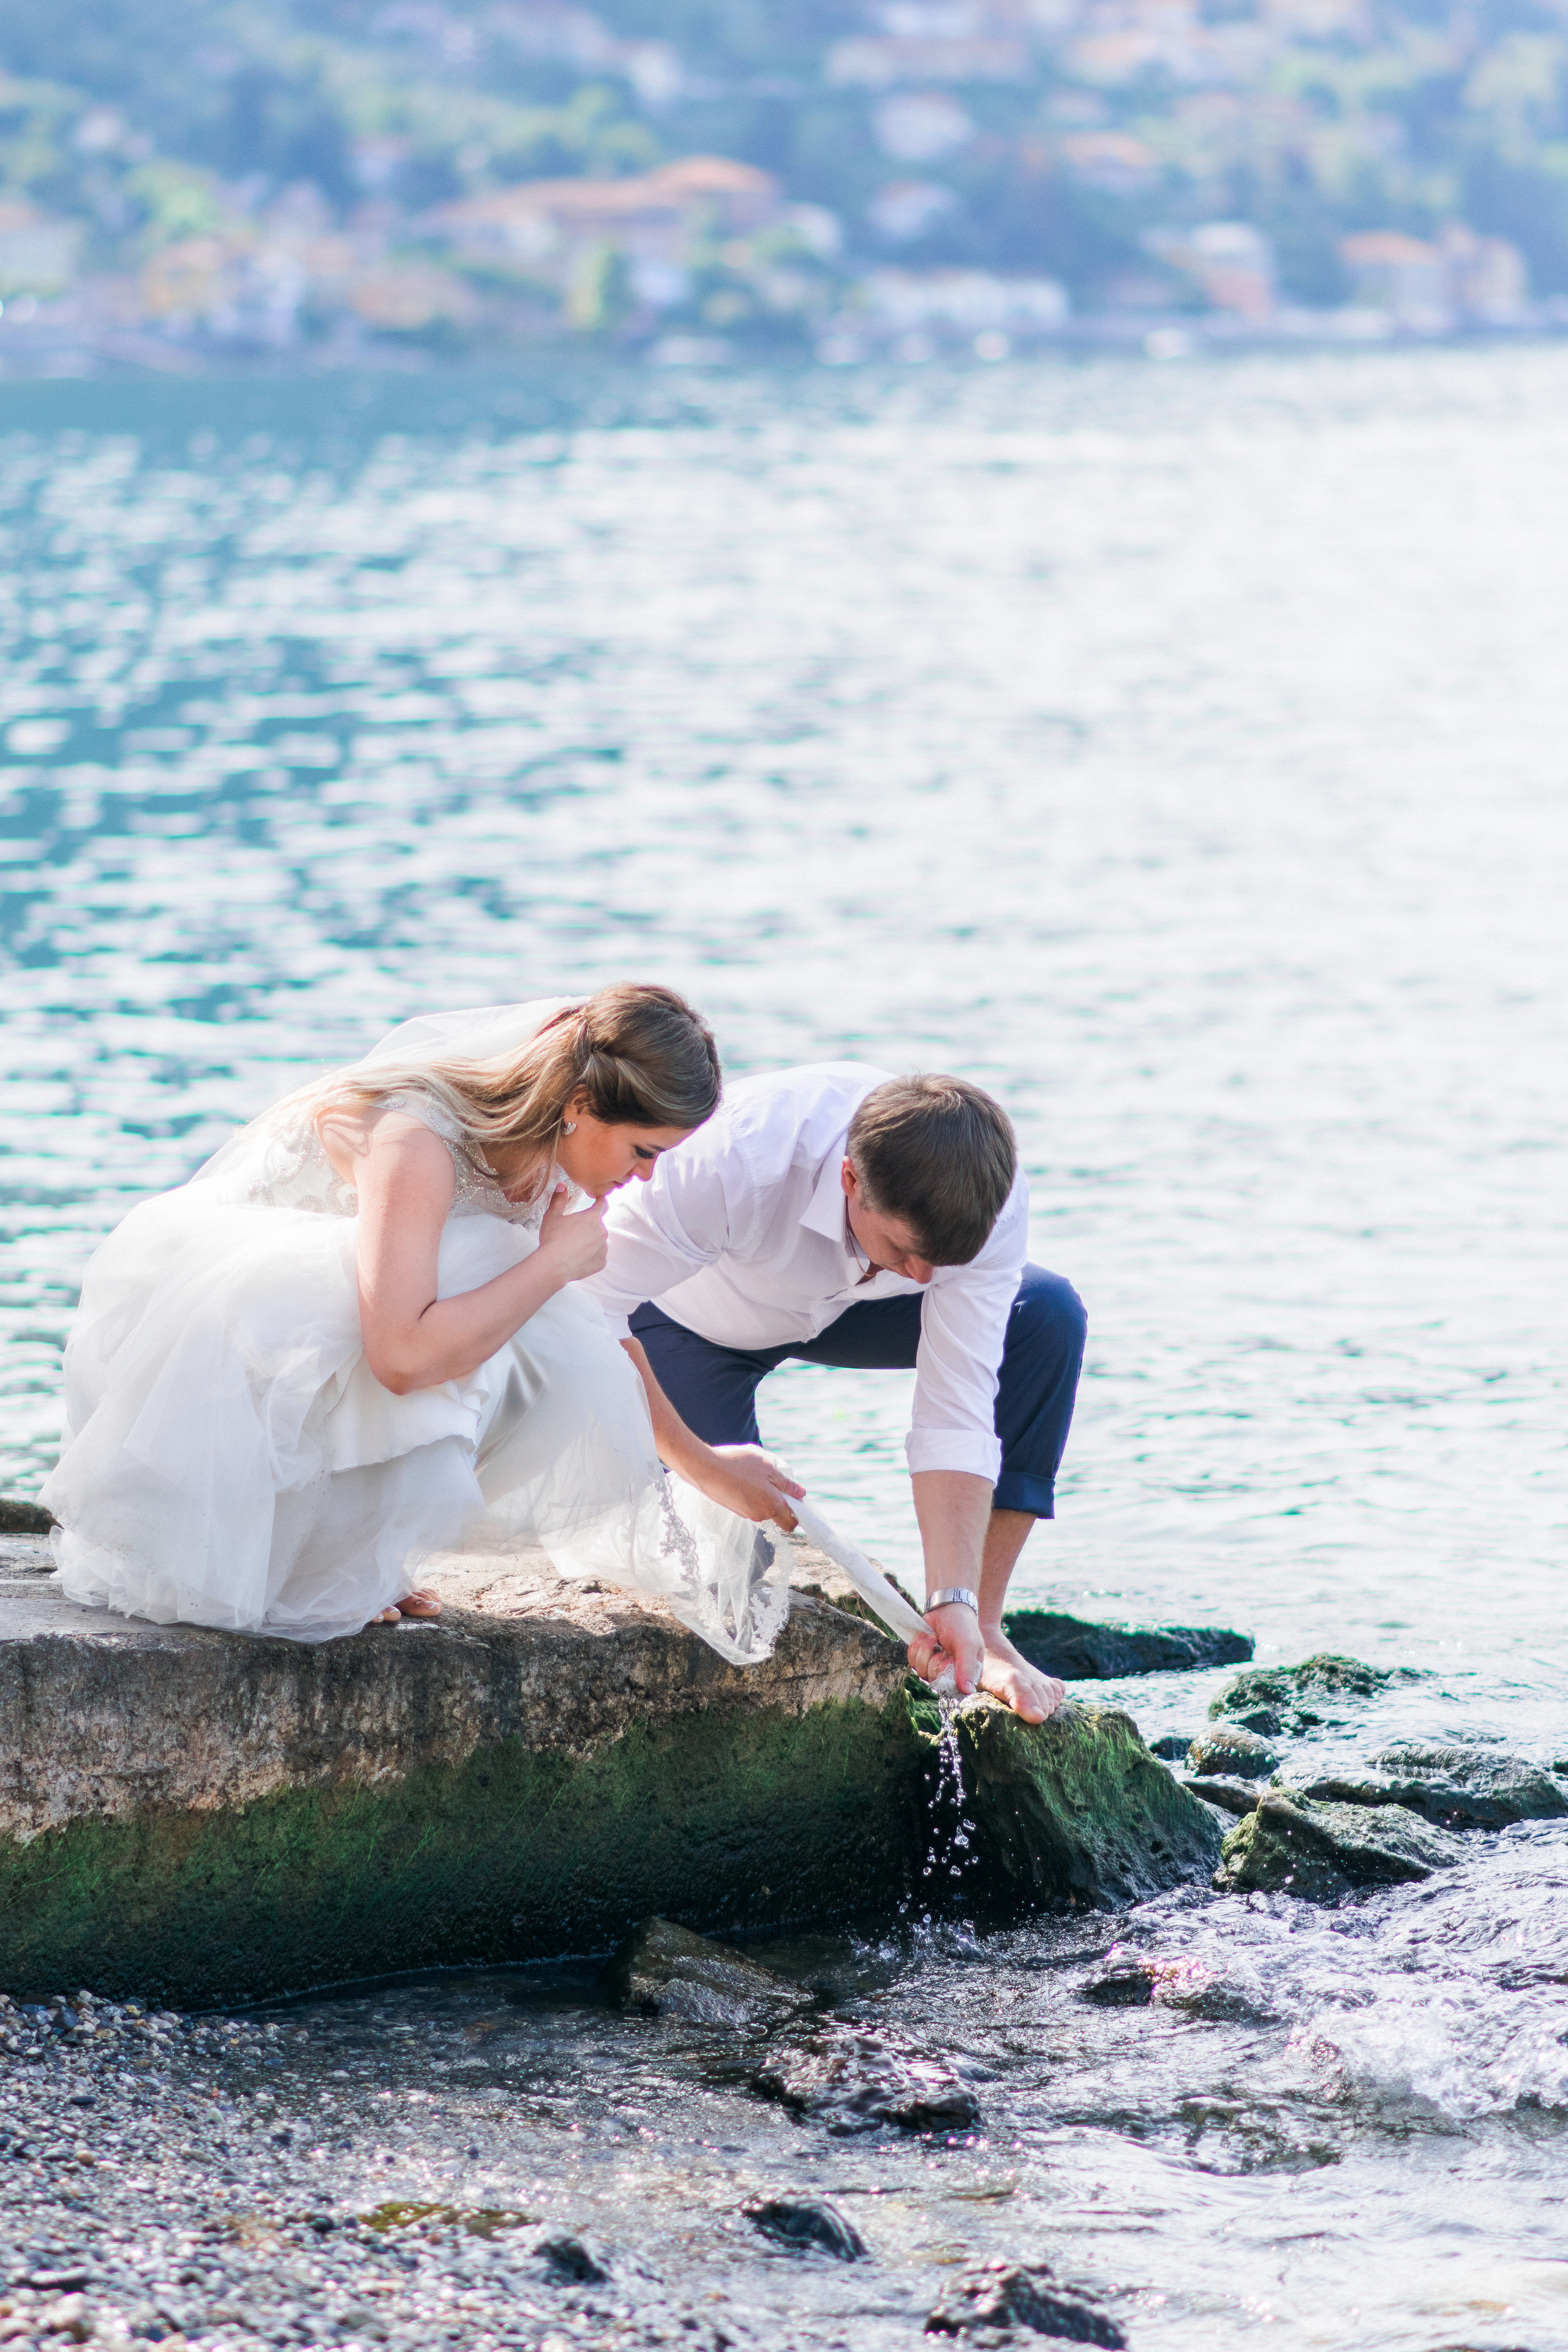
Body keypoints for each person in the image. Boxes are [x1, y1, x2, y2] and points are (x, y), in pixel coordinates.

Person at [41, 989, 804, 1654]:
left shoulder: (544, 1151)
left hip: (324, 1359)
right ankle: (293, 1564)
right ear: (579, 1107)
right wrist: (548, 1265)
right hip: (222, 1362)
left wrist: (702, 1462)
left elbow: (596, 1340)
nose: (647, 1177)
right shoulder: (418, 1140)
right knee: (493, 1270)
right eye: (645, 1150)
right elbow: (400, 1358)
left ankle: (350, 1555)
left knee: (556, 1335)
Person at [585, 1064, 1087, 1722]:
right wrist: (700, 1462)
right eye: (904, 1251)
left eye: (943, 1263)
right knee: (731, 1580)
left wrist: (952, 1598)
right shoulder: (734, 1157)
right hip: (686, 1318)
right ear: (851, 1179)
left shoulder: (986, 1203)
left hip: (844, 1311)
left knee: (1045, 1313)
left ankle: (985, 1630)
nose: (923, 1277)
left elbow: (956, 1406)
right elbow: (583, 1312)